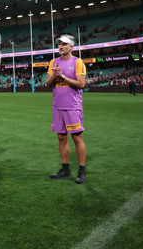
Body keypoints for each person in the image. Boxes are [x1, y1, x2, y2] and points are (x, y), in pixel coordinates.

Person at [45, 34, 87, 184]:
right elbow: (47, 84)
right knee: (61, 138)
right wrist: (55, 77)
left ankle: (82, 172)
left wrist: (62, 77)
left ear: (71, 47)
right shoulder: (53, 62)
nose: (61, 46)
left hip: (72, 106)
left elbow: (81, 84)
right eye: (59, 44)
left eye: (64, 44)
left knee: (77, 138)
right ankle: (65, 169)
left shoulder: (77, 62)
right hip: (58, 106)